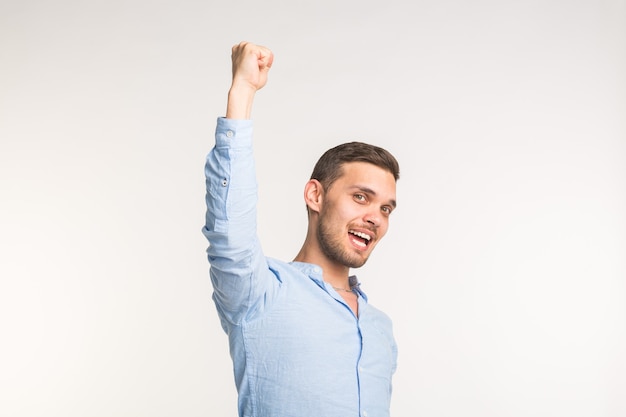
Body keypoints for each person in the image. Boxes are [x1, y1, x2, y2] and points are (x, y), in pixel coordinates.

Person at [203, 41, 400, 417]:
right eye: (361, 197)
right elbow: (229, 230)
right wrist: (242, 93)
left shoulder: (380, 329)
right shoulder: (259, 295)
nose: (376, 217)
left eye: (386, 208)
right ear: (315, 195)